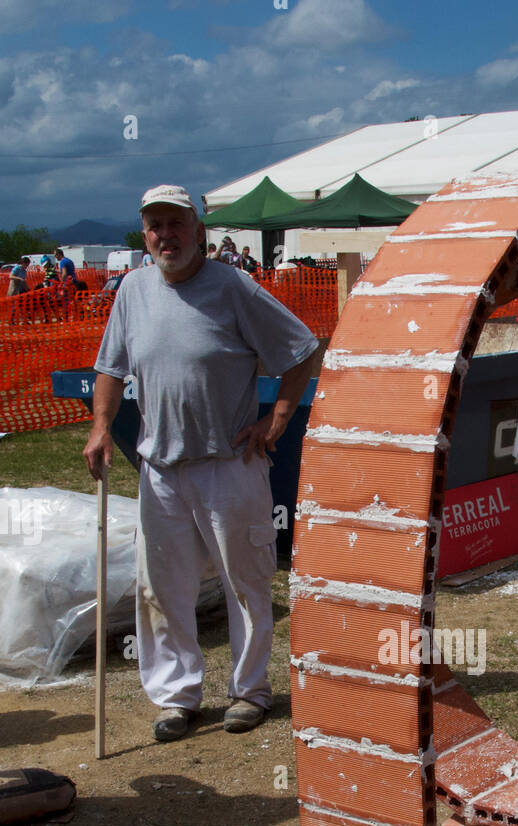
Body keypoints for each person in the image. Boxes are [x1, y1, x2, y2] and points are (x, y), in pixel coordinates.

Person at [83, 183, 318, 742]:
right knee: (162, 589)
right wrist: (99, 428)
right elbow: (112, 371)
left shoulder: (233, 286)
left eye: (176, 224)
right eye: (155, 225)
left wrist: (277, 420)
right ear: (145, 234)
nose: (167, 235)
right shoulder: (132, 291)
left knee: (246, 582)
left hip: (229, 464)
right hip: (159, 470)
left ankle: (249, 691)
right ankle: (177, 696)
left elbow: (303, 349)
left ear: (199, 231)